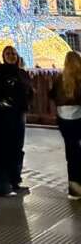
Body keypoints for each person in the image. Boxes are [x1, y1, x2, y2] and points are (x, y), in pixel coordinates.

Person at [0, 45, 33, 197]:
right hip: (5, 116)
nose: (12, 55)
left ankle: (15, 180)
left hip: (19, 114)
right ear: (3, 56)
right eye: (8, 53)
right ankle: (2, 184)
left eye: (14, 53)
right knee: (5, 149)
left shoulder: (22, 73)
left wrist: (27, 100)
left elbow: (28, 90)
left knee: (18, 148)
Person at [49, 51, 81, 200]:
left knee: (71, 152)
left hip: (64, 119)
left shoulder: (59, 78)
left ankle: (74, 189)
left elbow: (52, 95)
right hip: (79, 117)